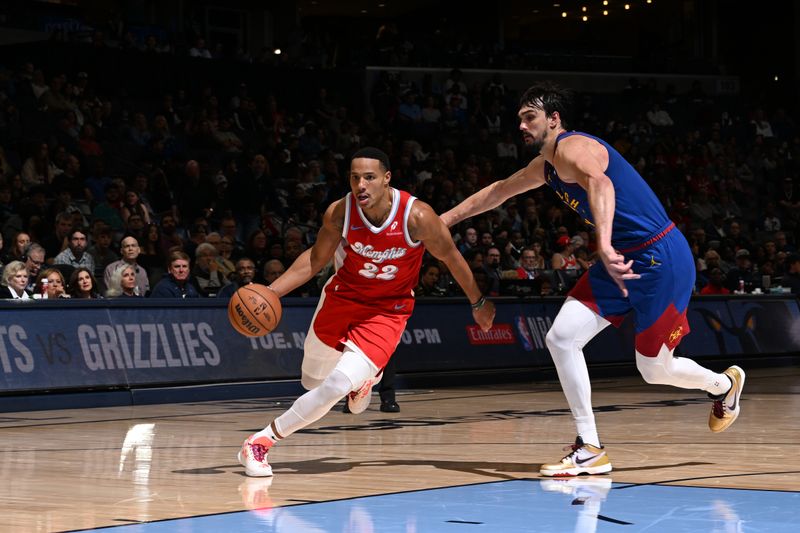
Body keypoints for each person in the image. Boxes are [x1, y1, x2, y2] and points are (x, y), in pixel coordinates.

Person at [441, 82, 744, 477]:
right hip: (619, 259)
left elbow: (601, 184)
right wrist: (441, 223)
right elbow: (497, 192)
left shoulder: (572, 148)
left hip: (660, 260)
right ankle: (590, 448)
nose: (521, 124)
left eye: (529, 116)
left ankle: (723, 386)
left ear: (554, 119)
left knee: (654, 369)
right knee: (561, 337)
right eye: (518, 118)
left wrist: (602, 242)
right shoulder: (545, 167)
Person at [238, 147, 495, 477]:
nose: (361, 184)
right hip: (341, 298)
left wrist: (477, 301)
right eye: (355, 177)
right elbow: (315, 260)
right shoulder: (339, 213)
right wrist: (270, 293)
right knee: (312, 381)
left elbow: (453, 258)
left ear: (387, 179)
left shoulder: (417, 217)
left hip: (388, 311)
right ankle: (363, 381)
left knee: (333, 387)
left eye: (369, 177)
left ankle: (260, 442)